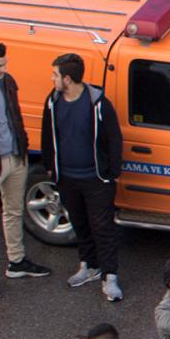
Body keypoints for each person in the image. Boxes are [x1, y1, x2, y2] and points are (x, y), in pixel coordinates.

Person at [43, 53, 126, 301]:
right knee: (79, 224)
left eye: (55, 74)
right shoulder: (53, 101)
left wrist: (111, 174)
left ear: (67, 79)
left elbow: (114, 138)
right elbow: (48, 136)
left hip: (96, 179)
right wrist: (51, 167)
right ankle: (88, 266)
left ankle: (110, 276)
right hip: (67, 178)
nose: (52, 79)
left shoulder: (98, 103)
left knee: (103, 228)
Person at [0, 43, 38, 283]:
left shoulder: (7, 81)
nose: (2, 69)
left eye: (3, 64)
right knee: (10, 212)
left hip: (14, 156)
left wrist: (23, 148)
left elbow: (15, 117)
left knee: (13, 211)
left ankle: (17, 261)